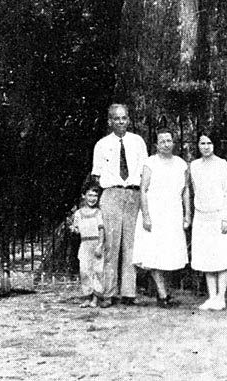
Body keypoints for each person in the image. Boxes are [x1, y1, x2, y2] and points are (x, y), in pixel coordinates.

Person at [91, 104, 148, 308]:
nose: (121, 122)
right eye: (116, 119)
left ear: (129, 120)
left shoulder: (138, 142)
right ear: (110, 121)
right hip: (112, 193)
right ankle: (108, 292)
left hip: (133, 193)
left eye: (124, 118)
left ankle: (129, 292)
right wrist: (112, 188)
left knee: (131, 244)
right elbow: (96, 175)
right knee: (111, 244)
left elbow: (144, 171)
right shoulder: (102, 144)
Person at [132, 128, 191, 307]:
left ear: (173, 142)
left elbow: (186, 190)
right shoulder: (150, 163)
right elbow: (143, 190)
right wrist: (146, 216)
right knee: (154, 253)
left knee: (170, 253)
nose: (166, 144)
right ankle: (162, 294)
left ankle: (166, 292)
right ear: (156, 145)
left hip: (173, 213)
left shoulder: (181, 164)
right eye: (162, 141)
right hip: (156, 211)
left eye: (169, 140)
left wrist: (187, 214)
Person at [189, 132, 227, 311]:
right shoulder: (194, 166)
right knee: (206, 256)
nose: (206, 146)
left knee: (222, 256)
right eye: (202, 143)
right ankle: (211, 296)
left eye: (209, 143)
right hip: (202, 216)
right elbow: (195, 191)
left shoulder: (222, 165)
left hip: (220, 215)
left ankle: (221, 297)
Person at [70, 183, 105, 308]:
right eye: (89, 195)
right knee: (85, 271)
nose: (92, 198)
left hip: (96, 244)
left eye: (95, 196)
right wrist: (74, 229)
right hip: (84, 244)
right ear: (83, 196)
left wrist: (100, 245)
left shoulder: (98, 212)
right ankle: (87, 297)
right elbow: (77, 229)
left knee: (98, 271)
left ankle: (96, 298)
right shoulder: (79, 213)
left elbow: (101, 230)